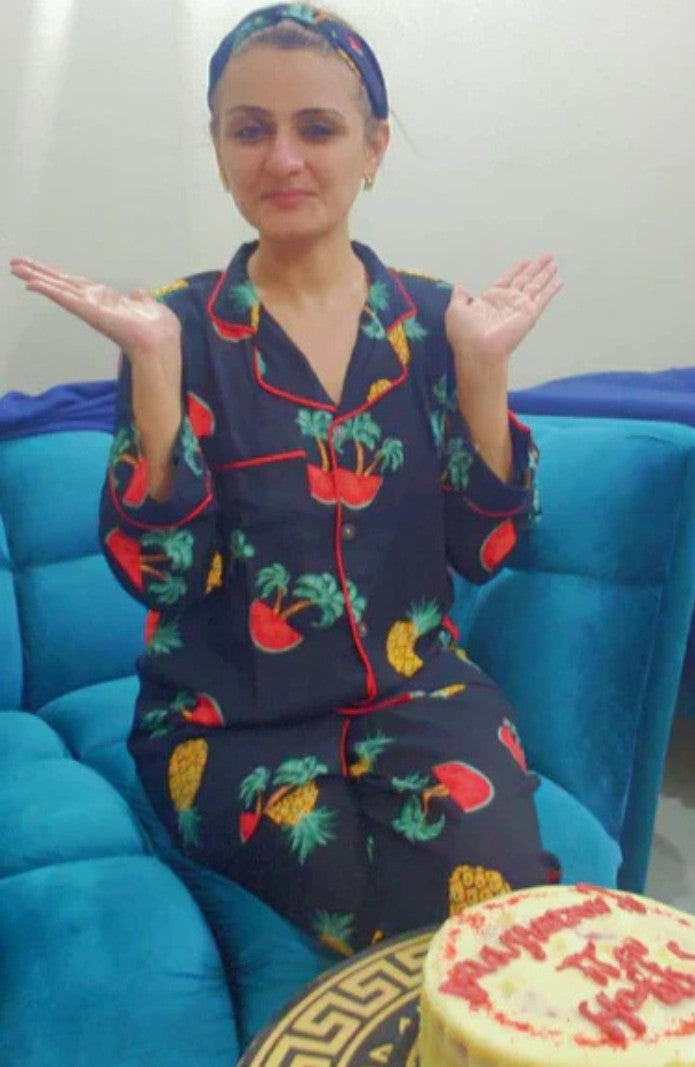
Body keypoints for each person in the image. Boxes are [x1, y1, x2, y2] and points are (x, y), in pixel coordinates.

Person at [10, 4, 564, 956]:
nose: (283, 160)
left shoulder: (438, 323)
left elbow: (488, 546)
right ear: (218, 148)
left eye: (317, 128)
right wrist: (155, 372)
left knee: (500, 898)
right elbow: (164, 579)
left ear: (373, 146)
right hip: (228, 720)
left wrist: (484, 372)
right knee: (354, 900)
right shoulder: (172, 330)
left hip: (418, 694)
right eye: (249, 130)